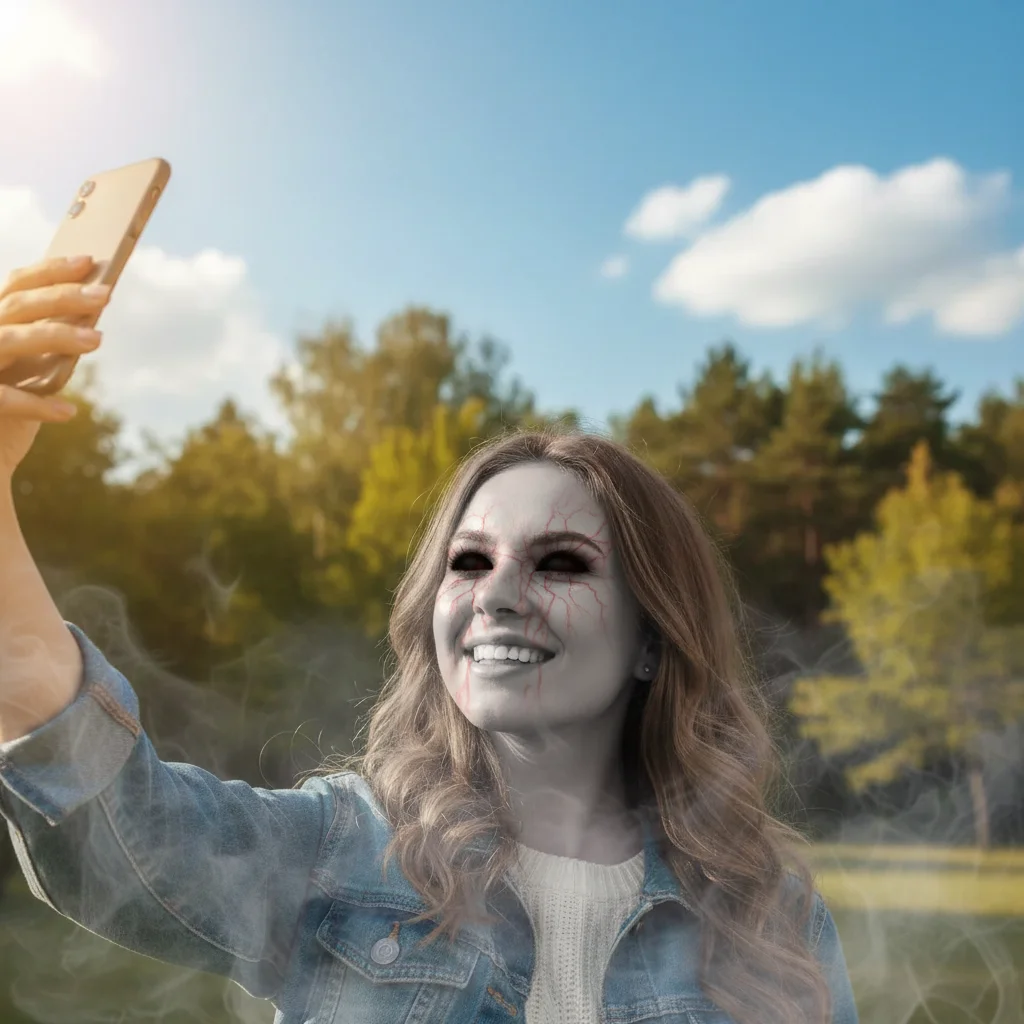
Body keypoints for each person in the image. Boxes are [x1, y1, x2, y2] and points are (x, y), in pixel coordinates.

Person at [0, 256, 858, 1024]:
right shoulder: (340, 854)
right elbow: (103, 820)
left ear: (651, 637)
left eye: (560, 563)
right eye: (469, 561)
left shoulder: (772, 920)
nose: (497, 596)